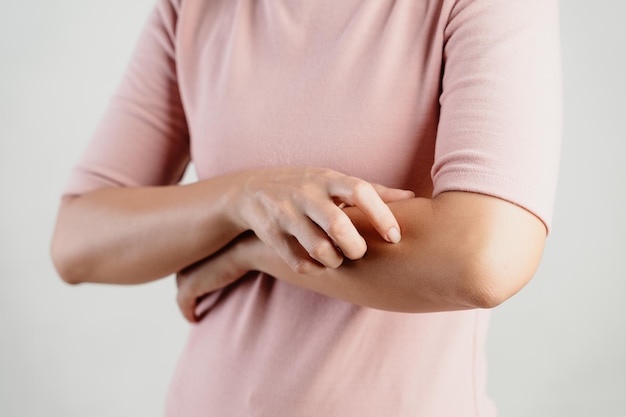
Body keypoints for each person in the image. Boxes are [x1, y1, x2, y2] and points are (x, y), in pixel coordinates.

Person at [51, 0, 562, 415]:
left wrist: (253, 245)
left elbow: (485, 258)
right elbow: (78, 241)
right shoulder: (193, 9)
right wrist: (239, 198)